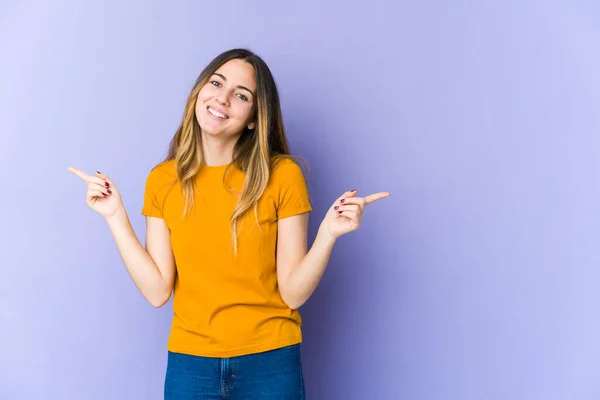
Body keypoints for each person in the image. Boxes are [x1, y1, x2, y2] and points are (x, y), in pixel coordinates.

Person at [68, 48, 390, 399]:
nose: (222, 98)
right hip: (191, 365)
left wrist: (328, 234)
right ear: (199, 91)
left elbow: (293, 293)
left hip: (270, 362)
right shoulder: (162, 180)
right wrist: (116, 216)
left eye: (240, 95)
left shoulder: (283, 176)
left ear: (254, 117)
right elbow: (158, 290)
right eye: (216, 83)